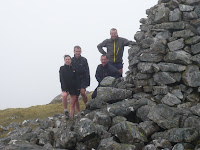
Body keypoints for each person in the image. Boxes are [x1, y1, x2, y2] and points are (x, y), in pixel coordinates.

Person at [59, 55, 80, 119]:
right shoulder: (62, 68)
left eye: (69, 59)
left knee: (72, 103)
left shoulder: (74, 68)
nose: (67, 60)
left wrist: (78, 87)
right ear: (64, 60)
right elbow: (61, 79)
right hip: (65, 87)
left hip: (74, 88)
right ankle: (65, 110)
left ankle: (71, 116)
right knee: (64, 95)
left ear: (71, 60)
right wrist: (64, 88)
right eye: (66, 59)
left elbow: (77, 78)